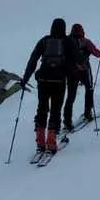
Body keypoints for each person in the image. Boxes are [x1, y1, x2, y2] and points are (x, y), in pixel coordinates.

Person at [21, 17, 83, 153]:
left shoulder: (44, 40)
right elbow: (79, 60)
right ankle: (51, 141)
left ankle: (40, 141)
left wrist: (25, 79)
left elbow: (33, 60)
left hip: (43, 79)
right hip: (59, 80)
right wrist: (77, 72)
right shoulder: (68, 41)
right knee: (55, 110)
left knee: (42, 108)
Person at [64, 23, 100, 130]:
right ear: (82, 31)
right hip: (85, 70)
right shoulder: (85, 41)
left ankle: (67, 121)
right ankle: (88, 113)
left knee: (70, 96)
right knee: (89, 89)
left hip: (71, 72)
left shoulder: (67, 42)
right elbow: (96, 52)